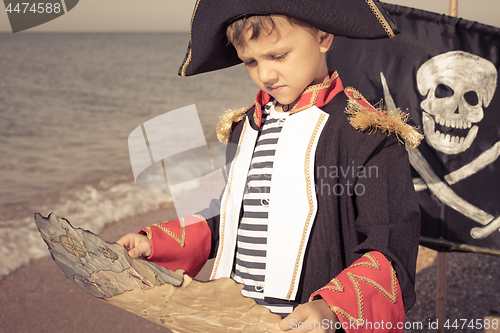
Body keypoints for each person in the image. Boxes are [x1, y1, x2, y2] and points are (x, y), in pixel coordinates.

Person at [118, 1, 423, 332]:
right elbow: (230, 218)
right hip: (231, 318)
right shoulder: (243, 128)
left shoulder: (366, 134)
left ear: (323, 36)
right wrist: (157, 242)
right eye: (250, 61)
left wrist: (331, 308)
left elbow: (391, 243)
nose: (265, 75)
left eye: (278, 55)